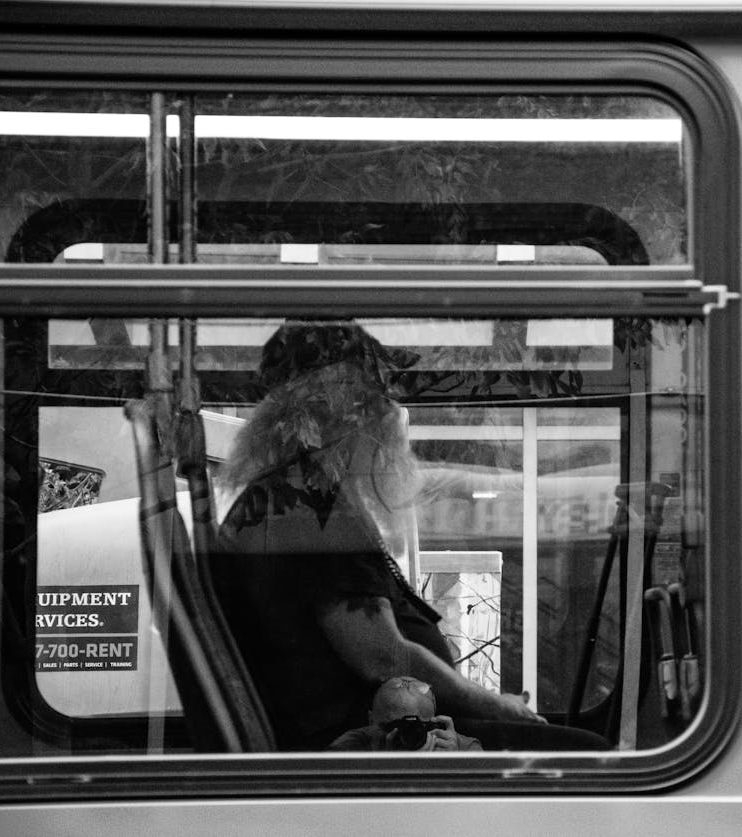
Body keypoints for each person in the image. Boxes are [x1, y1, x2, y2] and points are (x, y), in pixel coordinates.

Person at [212, 320, 543, 751]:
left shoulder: (294, 498)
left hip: (388, 736)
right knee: (589, 756)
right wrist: (496, 705)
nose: (392, 410)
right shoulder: (312, 511)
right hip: (371, 748)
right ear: (348, 413)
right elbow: (383, 657)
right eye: (380, 395)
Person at [328, 675, 482, 752]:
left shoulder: (458, 747)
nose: (403, 736)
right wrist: (384, 769)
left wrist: (453, 765)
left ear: (435, 723)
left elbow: (485, 807)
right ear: (371, 721)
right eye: (393, 726)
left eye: (416, 728)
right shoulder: (353, 746)